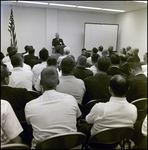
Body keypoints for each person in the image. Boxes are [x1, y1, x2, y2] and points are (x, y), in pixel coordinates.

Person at [25, 67, 81, 149]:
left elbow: (29, 123)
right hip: (70, 147)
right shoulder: (71, 99)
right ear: (58, 82)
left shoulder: (30, 106)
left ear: (40, 83)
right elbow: (77, 117)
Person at [82, 75, 137, 140]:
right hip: (119, 140)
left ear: (110, 89)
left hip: (97, 141)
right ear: (128, 89)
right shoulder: (133, 108)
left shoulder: (99, 108)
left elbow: (88, 120)